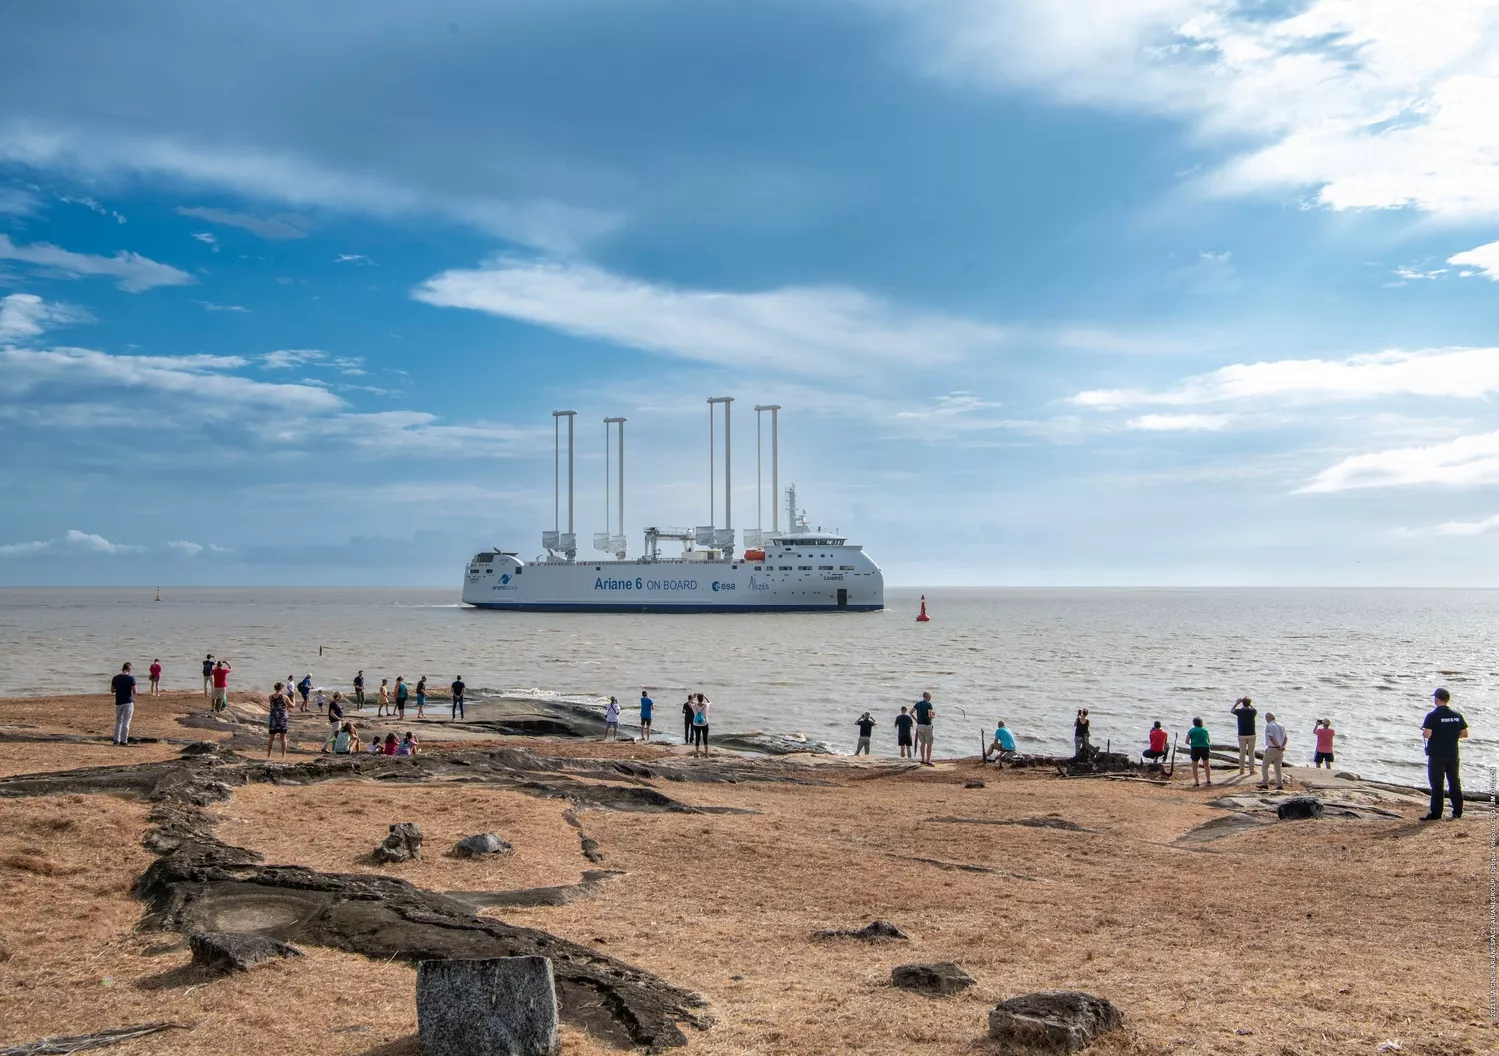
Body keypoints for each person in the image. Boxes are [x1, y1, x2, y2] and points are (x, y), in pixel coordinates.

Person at [1421, 688, 1469, 821]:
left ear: (1436, 700)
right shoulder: (1457, 715)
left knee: (1437, 784)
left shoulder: (1432, 716)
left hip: (1437, 755)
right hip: (1453, 753)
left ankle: (1436, 813)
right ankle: (1458, 811)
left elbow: (1428, 734)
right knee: (1454, 782)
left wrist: (1424, 732)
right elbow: (1464, 734)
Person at [1259, 712, 1288, 790]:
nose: (1266, 719)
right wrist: (1282, 746)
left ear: (1269, 718)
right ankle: (1279, 784)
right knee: (1278, 767)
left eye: (1266, 718)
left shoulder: (1269, 726)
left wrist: (1278, 746)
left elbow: (1271, 737)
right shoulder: (1281, 725)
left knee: (1265, 766)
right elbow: (1286, 738)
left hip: (1272, 748)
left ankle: (1265, 783)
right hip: (1280, 749)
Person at [110, 662, 136, 746]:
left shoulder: (115, 678)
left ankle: (116, 739)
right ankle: (124, 740)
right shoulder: (131, 678)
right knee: (126, 722)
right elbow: (134, 691)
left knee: (118, 721)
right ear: (129, 670)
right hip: (128, 701)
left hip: (118, 702)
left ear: (122, 669)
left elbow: (112, 690)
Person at [1231, 697, 1258, 775]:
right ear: (1249, 703)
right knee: (1251, 752)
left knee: (1242, 752)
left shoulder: (1239, 711)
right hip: (1251, 734)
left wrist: (1236, 703)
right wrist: (1250, 705)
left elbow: (1232, 710)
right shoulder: (1253, 712)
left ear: (1242, 703)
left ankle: (1241, 770)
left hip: (1242, 734)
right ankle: (1252, 770)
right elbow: (1255, 710)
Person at [1186, 717, 1212, 786]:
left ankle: (1197, 782)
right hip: (1205, 748)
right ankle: (1208, 780)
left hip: (1195, 748)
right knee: (1206, 764)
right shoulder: (1205, 730)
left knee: (1195, 766)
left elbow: (1187, 741)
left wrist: (1192, 743)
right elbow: (1209, 741)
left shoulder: (1191, 730)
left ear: (1194, 723)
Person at [267, 682, 290, 759]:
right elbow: (292, 705)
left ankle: (269, 755)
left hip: (273, 718)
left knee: (271, 738)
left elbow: (274, 705)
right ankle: (283, 755)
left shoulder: (270, 697)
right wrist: (294, 699)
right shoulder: (284, 697)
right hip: (282, 719)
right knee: (283, 738)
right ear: (281, 688)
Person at [913, 691, 935, 766]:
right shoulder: (929, 704)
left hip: (919, 726)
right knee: (929, 744)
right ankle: (928, 760)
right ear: (927, 696)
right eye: (930, 696)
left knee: (922, 743)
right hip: (927, 725)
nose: (930, 697)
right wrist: (933, 716)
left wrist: (916, 720)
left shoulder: (918, 704)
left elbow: (910, 712)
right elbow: (929, 715)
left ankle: (922, 759)